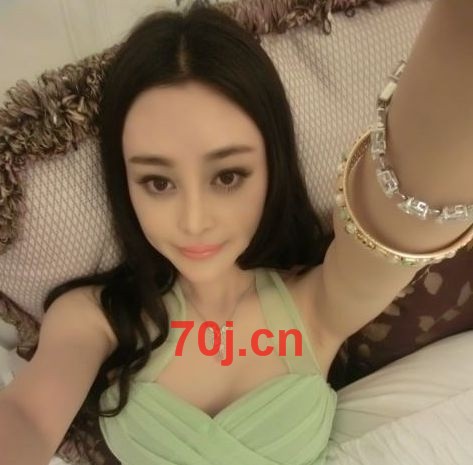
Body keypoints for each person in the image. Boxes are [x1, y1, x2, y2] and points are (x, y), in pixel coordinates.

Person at [1, 0, 472, 464]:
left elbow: (403, 212)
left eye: (227, 176)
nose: (194, 221)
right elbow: (28, 416)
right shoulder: (97, 318)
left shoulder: (316, 305)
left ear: (272, 168)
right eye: (158, 183)